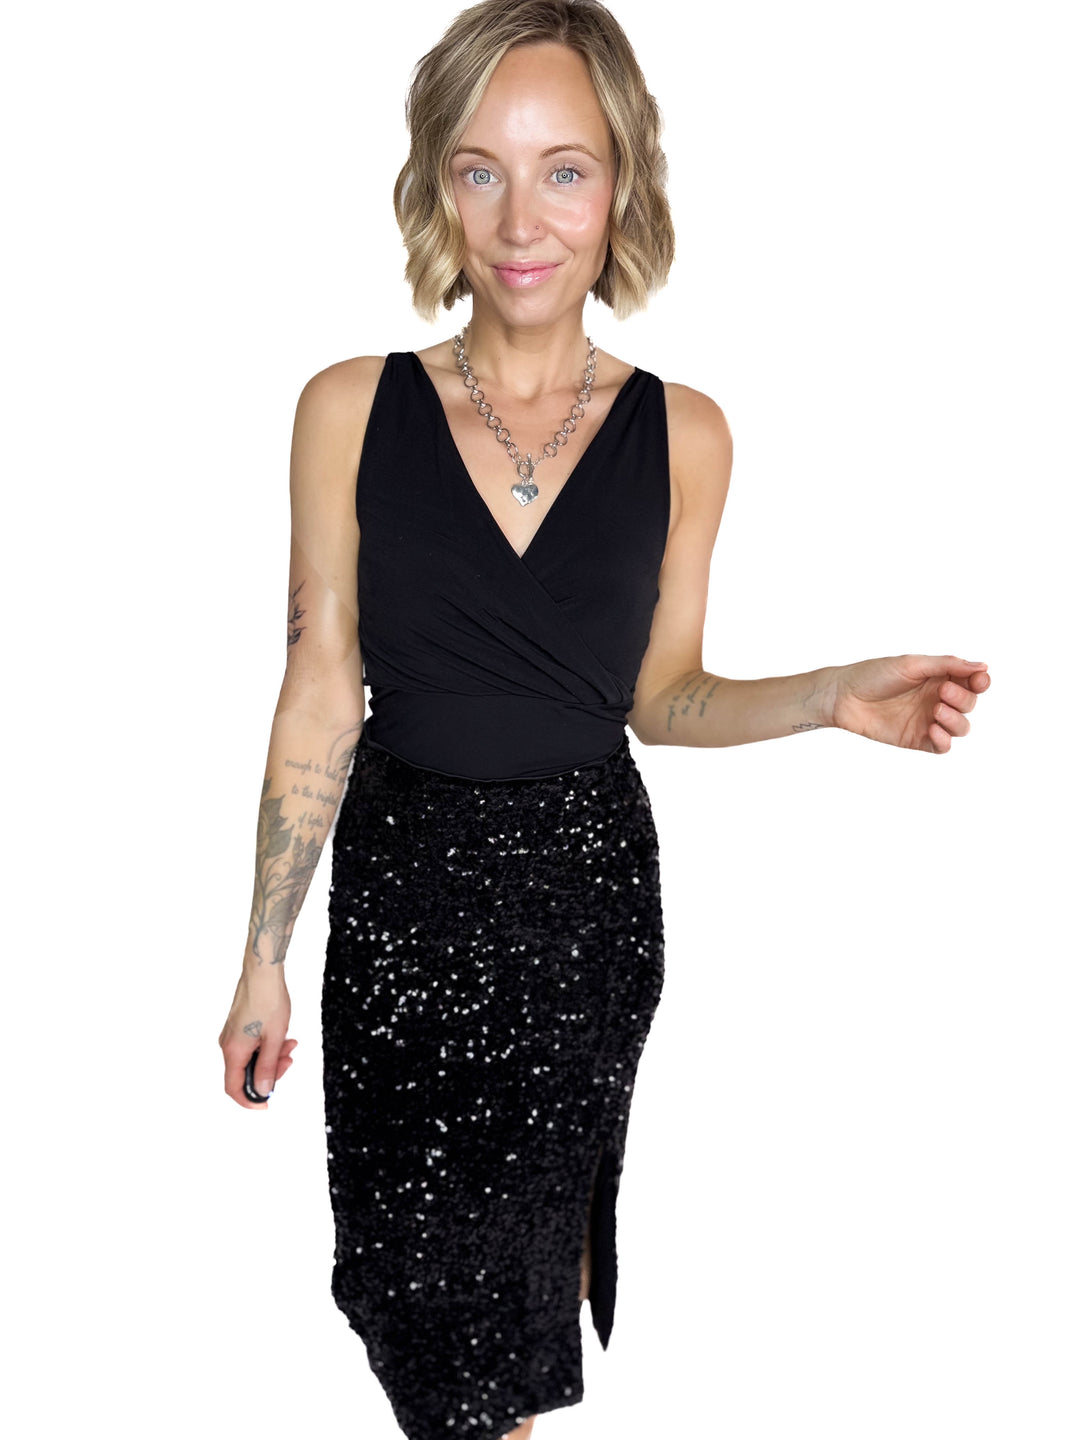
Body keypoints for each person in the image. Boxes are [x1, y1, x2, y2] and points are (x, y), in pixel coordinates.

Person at [218, 2, 992, 1438]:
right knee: (411, 1294)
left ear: (622, 180)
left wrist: (829, 697)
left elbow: (661, 696)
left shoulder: (685, 433)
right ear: (436, 183)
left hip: (580, 912)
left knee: (509, 1312)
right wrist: (263, 955)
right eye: (481, 170)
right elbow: (321, 682)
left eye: (564, 170)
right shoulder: (346, 408)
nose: (522, 220)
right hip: (399, 905)